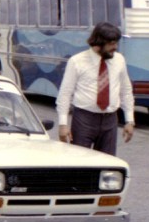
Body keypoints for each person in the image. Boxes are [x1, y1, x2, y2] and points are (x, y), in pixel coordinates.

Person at [55, 22, 135, 154]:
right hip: (84, 119)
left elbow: (126, 90)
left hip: (110, 120)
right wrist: (63, 124)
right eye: (111, 44)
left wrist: (129, 120)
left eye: (116, 43)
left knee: (107, 163)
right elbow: (65, 93)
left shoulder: (119, 60)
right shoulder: (77, 61)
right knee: (80, 163)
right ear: (98, 43)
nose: (115, 48)